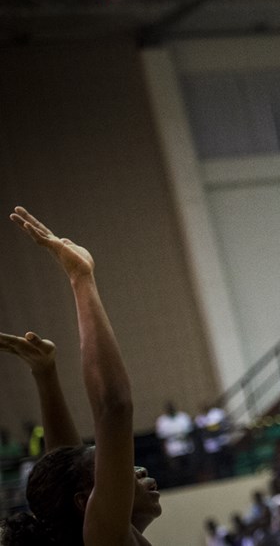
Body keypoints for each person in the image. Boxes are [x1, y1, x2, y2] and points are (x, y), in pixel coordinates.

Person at [0, 207, 162, 544]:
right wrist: (81, 278)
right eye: (107, 468)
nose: (133, 468)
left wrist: (46, 375)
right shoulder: (104, 538)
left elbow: (63, 463)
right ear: (85, 502)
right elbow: (113, 407)